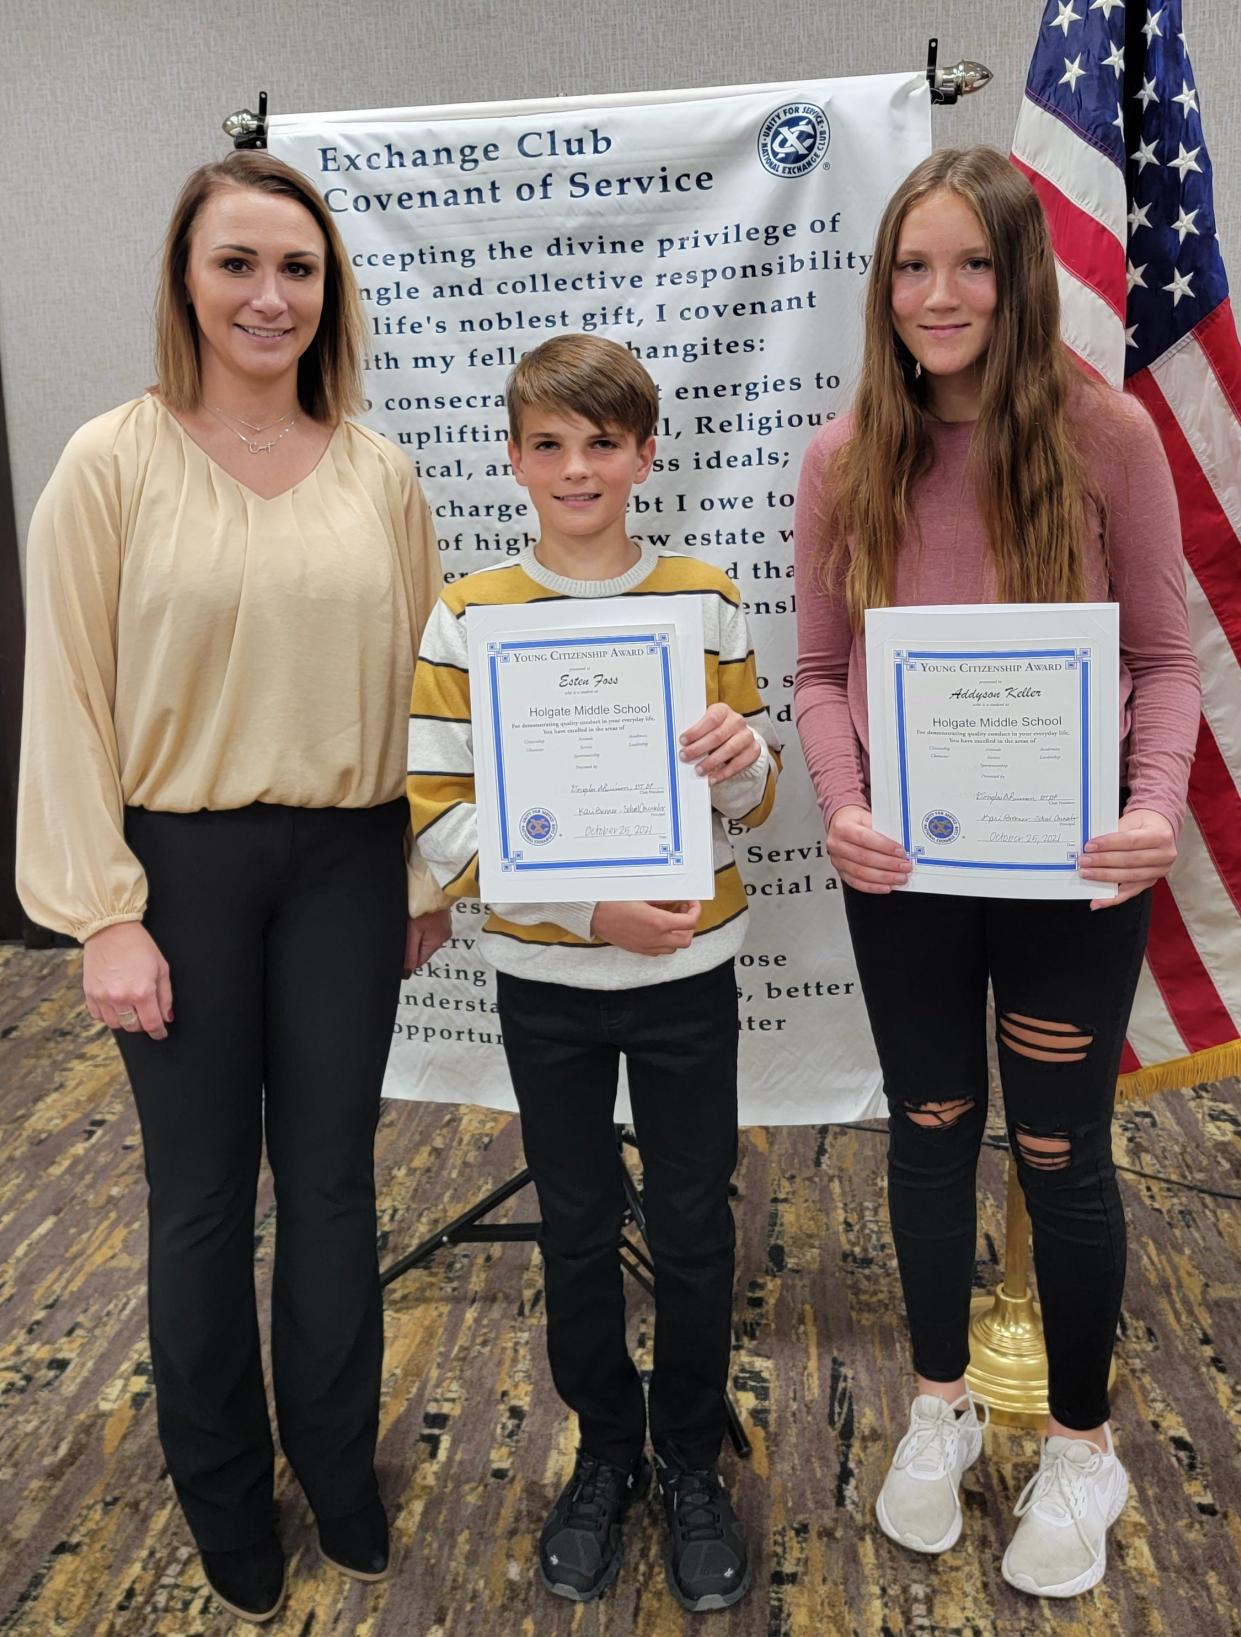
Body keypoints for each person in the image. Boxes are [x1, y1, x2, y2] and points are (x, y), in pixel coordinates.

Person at [16, 151, 451, 1624]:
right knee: (201, 1198)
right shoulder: (110, 460)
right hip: (176, 865)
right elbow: (64, 695)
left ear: (330, 291)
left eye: (298, 269)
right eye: (237, 265)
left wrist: (419, 868)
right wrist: (103, 909)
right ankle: (218, 1483)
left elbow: (418, 695)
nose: (270, 296)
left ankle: (335, 1466)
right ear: (185, 282)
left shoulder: (382, 473)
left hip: (345, 857)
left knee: (331, 1188)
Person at [793, 147, 1199, 1600]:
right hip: (902, 869)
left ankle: (1082, 1444)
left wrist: (1153, 807)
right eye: (912, 264)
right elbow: (820, 674)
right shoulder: (845, 457)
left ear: (1021, 276)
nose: (938, 293)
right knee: (924, 1128)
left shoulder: (1109, 439)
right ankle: (938, 1407)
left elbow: (1161, 662)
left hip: (1068, 871)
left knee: (1057, 1151)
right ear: (882, 285)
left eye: (970, 263)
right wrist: (840, 804)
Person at [407, 333, 780, 1612]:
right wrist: (585, 905)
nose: (577, 467)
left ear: (645, 452)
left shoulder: (707, 597)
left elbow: (758, 805)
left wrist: (743, 759)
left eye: (602, 443)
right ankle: (604, 1450)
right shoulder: (468, 613)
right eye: (550, 445)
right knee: (574, 1227)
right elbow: (439, 813)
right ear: (512, 459)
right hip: (548, 981)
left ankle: (688, 1456)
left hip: (687, 972)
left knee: (690, 1223)